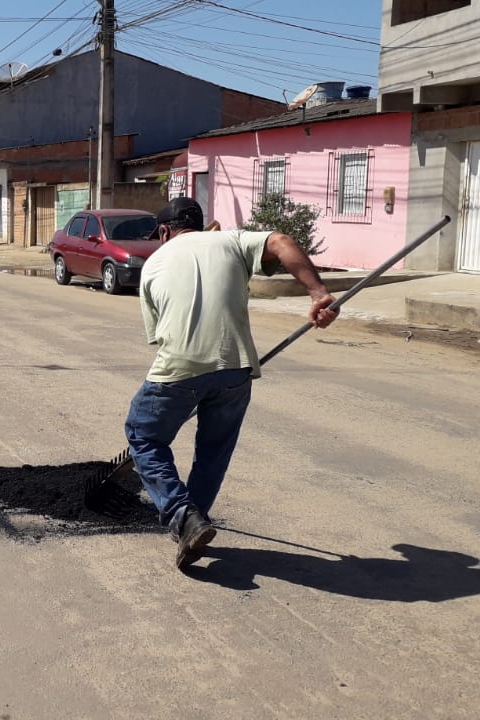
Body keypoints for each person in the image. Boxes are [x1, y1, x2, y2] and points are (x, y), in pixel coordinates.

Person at [125, 197, 339, 569]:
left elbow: (161, 338)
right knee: (213, 451)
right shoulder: (232, 241)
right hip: (235, 369)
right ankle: (195, 522)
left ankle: (182, 514)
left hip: (180, 368)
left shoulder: (154, 263)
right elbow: (282, 242)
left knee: (144, 436)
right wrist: (318, 293)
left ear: (164, 232)